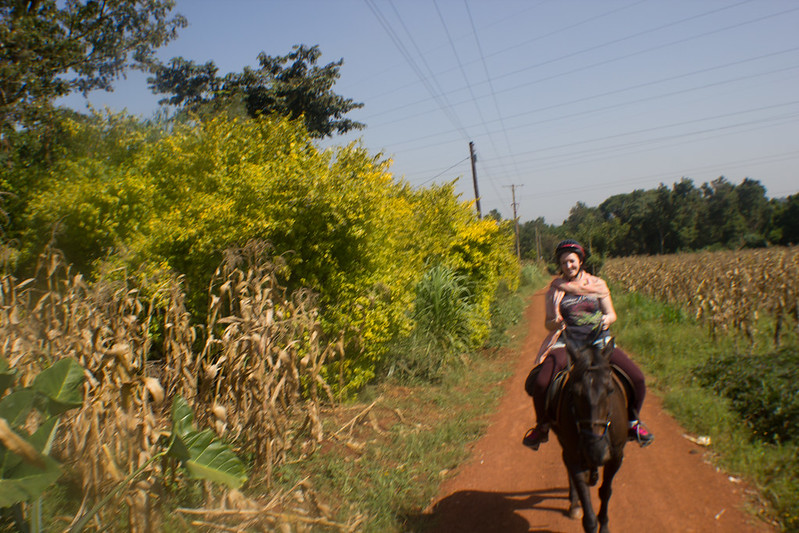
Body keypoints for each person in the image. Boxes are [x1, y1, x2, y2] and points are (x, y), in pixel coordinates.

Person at [522, 239, 654, 450]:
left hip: (600, 343)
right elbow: (548, 323)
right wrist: (554, 322)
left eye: (572, 262)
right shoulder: (555, 289)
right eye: (564, 263)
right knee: (541, 383)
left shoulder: (598, 284)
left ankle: (632, 422)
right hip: (568, 344)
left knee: (637, 377)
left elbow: (612, 314)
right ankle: (542, 426)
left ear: (581, 261)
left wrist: (607, 320)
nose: (568, 266)